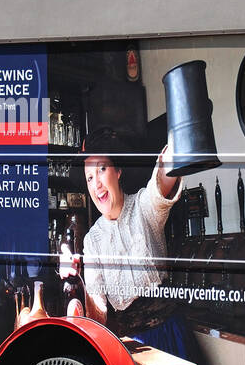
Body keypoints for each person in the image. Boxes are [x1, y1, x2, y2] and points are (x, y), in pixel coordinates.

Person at [77, 133, 182, 327]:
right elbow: (98, 312)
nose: (96, 183)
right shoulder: (92, 241)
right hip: (128, 341)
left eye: (101, 169)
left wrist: (183, 129)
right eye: (89, 178)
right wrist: (77, 278)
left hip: (168, 331)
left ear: (117, 171)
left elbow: (162, 179)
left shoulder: (143, 206)